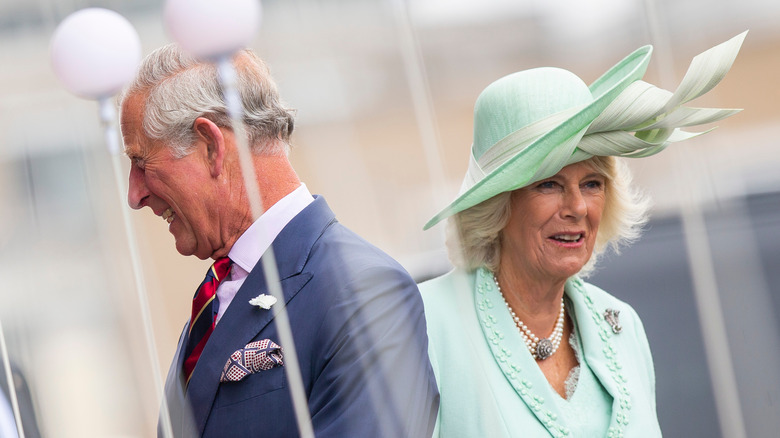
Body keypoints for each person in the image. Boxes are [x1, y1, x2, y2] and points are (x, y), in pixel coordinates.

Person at [419, 32, 746, 437]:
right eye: (550, 184)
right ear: (497, 206)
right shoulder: (427, 325)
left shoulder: (622, 325)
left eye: (592, 183)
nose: (577, 207)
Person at [119, 44, 438, 438]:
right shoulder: (216, 298)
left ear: (210, 147)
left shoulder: (363, 291)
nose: (135, 195)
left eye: (141, 162)